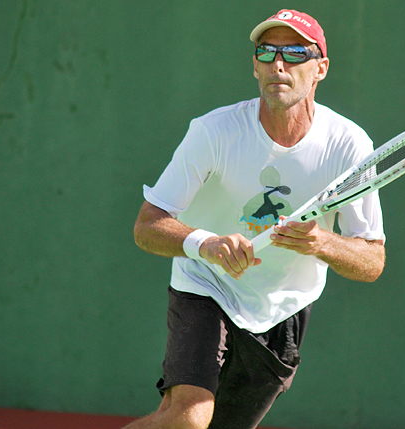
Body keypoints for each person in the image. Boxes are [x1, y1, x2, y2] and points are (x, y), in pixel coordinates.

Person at [127, 9, 386, 429]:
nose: (278, 64)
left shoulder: (349, 147)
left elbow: (372, 261)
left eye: (295, 52)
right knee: (189, 419)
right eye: (266, 52)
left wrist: (323, 243)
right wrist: (205, 244)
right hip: (206, 285)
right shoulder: (214, 132)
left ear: (320, 69)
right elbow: (147, 225)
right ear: (254, 66)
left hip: (283, 309)